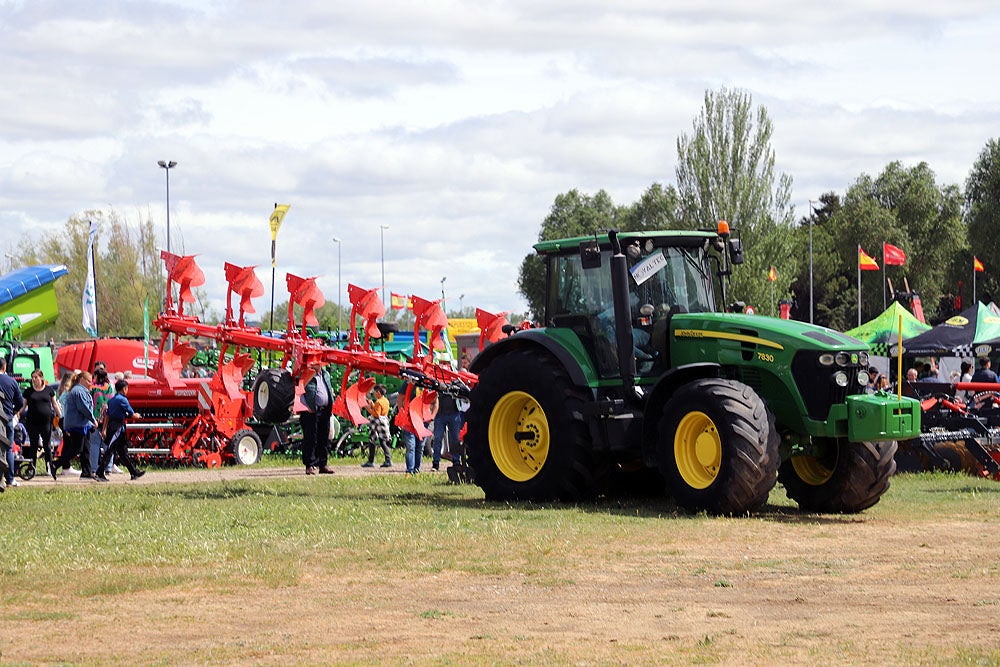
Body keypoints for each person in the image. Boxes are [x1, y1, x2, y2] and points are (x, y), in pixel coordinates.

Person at [50, 371, 99, 480]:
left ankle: (86, 472)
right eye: (88, 381)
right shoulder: (78, 391)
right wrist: (93, 419)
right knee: (76, 448)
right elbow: (84, 408)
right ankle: (55, 464)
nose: (90, 383)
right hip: (77, 424)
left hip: (84, 424)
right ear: (82, 379)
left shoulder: (81, 390)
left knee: (86, 448)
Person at [95, 379, 145, 482]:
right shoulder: (123, 400)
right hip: (117, 429)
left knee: (122, 453)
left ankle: (133, 472)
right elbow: (132, 414)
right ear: (124, 389)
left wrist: (104, 429)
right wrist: (139, 416)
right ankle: (100, 473)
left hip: (114, 428)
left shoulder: (112, 400)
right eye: (127, 388)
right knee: (110, 450)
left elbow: (107, 416)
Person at [19, 369, 61, 478]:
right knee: (33, 445)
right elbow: (23, 406)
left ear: (41, 377)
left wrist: (60, 416)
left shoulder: (49, 390)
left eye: (36, 377)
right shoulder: (28, 391)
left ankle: (50, 466)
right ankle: (31, 467)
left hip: (46, 422)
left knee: (47, 444)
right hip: (32, 422)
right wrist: (17, 414)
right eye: (32, 377)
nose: (34, 379)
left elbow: (55, 404)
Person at [297, 364, 335, 475]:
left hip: (325, 411)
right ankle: (309, 465)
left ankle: (323, 465)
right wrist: (305, 406)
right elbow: (299, 389)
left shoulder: (326, 374)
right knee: (310, 438)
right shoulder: (306, 374)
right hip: (311, 412)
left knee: (323, 438)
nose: (317, 364)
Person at [399, 382, 437, 475]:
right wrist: (402, 414)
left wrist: (432, 416)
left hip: (424, 420)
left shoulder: (430, 384)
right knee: (411, 446)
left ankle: (417, 470)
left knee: (420, 447)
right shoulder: (408, 382)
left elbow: (436, 402)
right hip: (409, 419)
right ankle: (409, 470)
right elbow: (400, 399)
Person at [0, 357, 24, 489]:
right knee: (8, 448)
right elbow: (20, 402)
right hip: (7, 418)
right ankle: (10, 479)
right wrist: (13, 412)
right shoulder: (11, 381)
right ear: (4, 367)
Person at [89, 365, 115, 475]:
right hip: (108, 418)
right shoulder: (110, 387)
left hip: (95, 418)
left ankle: (94, 468)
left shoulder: (92, 388)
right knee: (107, 444)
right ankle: (108, 467)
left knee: (94, 444)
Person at [431, 387, 463, 472]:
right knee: (437, 439)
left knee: (455, 439)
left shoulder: (456, 379)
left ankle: (456, 461)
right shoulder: (439, 379)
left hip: (454, 413)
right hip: (440, 414)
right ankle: (435, 463)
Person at [362, 384, 393, 468]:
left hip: (378, 422)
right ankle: (387, 459)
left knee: (374, 440)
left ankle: (377, 460)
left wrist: (367, 408)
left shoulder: (378, 402)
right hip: (384, 420)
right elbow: (379, 410)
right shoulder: (385, 400)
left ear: (378, 392)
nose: (374, 394)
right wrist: (372, 405)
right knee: (382, 441)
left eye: (375, 392)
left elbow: (376, 414)